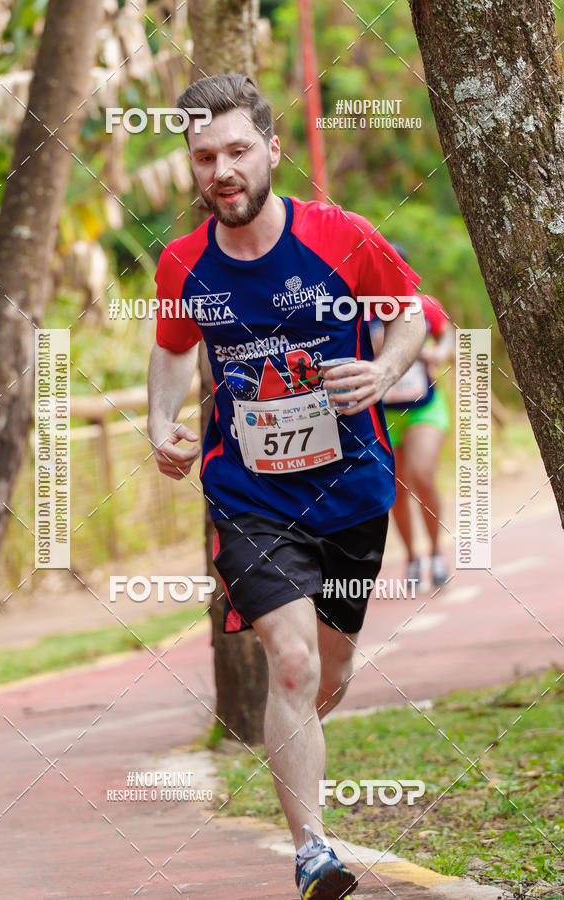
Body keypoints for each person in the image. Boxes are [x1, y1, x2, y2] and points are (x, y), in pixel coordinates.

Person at [147, 73, 426, 900]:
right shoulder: (183, 263)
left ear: (272, 149)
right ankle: (313, 852)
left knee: (329, 676)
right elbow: (170, 350)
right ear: (193, 168)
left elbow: (410, 308)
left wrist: (381, 369)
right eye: (204, 157)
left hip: (352, 491)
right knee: (293, 663)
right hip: (249, 495)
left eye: (237, 150)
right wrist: (163, 423)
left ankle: (293, 751)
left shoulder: (341, 236)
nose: (221, 170)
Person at [370, 246, 454, 589]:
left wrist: (439, 351)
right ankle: (412, 558)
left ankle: (435, 552)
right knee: (396, 491)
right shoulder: (360, 310)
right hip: (383, 413)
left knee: (422, 473)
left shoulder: (424, 305)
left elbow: (447, 334)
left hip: (423, 407)